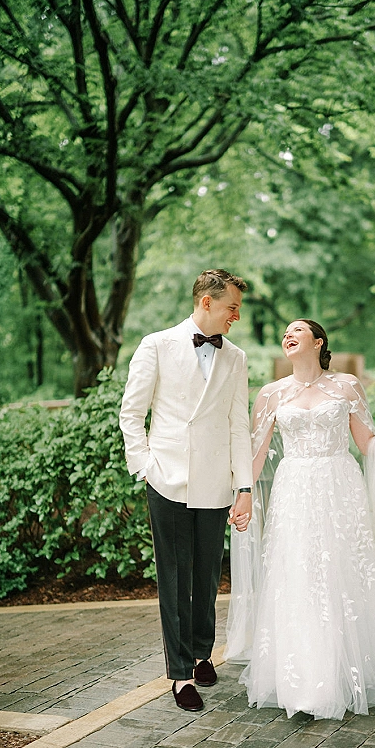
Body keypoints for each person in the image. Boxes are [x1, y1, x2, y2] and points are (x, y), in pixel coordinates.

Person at [225, 319, 375, 721]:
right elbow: (256, 452)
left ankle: (343, 669)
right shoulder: (270, 395)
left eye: (297, 330)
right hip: (295, 487)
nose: (288, 335)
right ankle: (302, 677)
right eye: (285, 331)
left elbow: (368, 442)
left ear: (318, 342)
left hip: (339, 485)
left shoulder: (346, 385)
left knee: (340, 570)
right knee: (298, 574)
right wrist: (243, 495)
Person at [119, 269, 253, 713]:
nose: (236, 315)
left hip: (215, 483)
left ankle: (201, 654)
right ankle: (179, 676)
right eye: (232, 306)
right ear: (207, 303)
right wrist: (145, 468)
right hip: (168, 479)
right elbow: (131, 413)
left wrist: (244, 487)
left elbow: (238, 425)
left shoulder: (235, 357)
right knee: (175, 580)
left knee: (207, 577)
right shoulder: (156, 345)